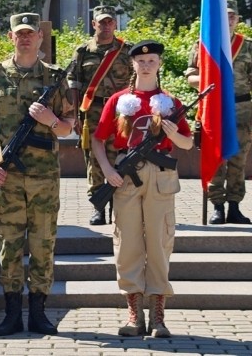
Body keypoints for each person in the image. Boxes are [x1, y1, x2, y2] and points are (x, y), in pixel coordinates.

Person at [0, 12, 74, 336]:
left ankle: (40, 313)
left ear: (41, 37)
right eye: (20, 33)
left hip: (45, 177)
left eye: (32, 33)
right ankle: (13, 313)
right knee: (9, 245)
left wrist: (49, 119)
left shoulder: (55, 78)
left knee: (43, 244)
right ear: (11, 37)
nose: (26, 38)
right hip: (8, 176)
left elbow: (70, 128)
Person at [91, 40, 193, 338]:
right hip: (125, 178)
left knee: (160, 244)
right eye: (141, 61)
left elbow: (188, 143)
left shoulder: (170, 102)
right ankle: (135, 314)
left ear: (159, 64)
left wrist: (174, 134)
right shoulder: (120, 100)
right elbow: (98, 139)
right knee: (128, 245)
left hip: (161, 179)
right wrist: (108, 170)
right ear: (133, 65)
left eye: (152, 61)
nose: (146, 65)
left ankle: (158, 316)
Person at [185, 0, 252, 225]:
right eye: (225, 15)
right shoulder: (204, 44)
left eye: (232, 16)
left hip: (241, 110)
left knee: (238, 160)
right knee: (216, 159)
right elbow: (190, 76)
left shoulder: (247, 45)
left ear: (238, 20)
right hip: (213, 109)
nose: (229, 19)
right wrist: (207, 79)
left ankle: (235, 206)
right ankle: (217, 207)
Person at [68, 5, 133, 225]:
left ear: (115, 24)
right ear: (93, 24)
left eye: (109, 22)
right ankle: (98, 206)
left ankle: (118, 205)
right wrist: (75, 114)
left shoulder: (127, 50)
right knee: (95, 161)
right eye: (101, 22)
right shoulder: (83, 51)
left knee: (119, 158)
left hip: (121, 113)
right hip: (93, 112)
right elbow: (74, 84)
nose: (105, 26)